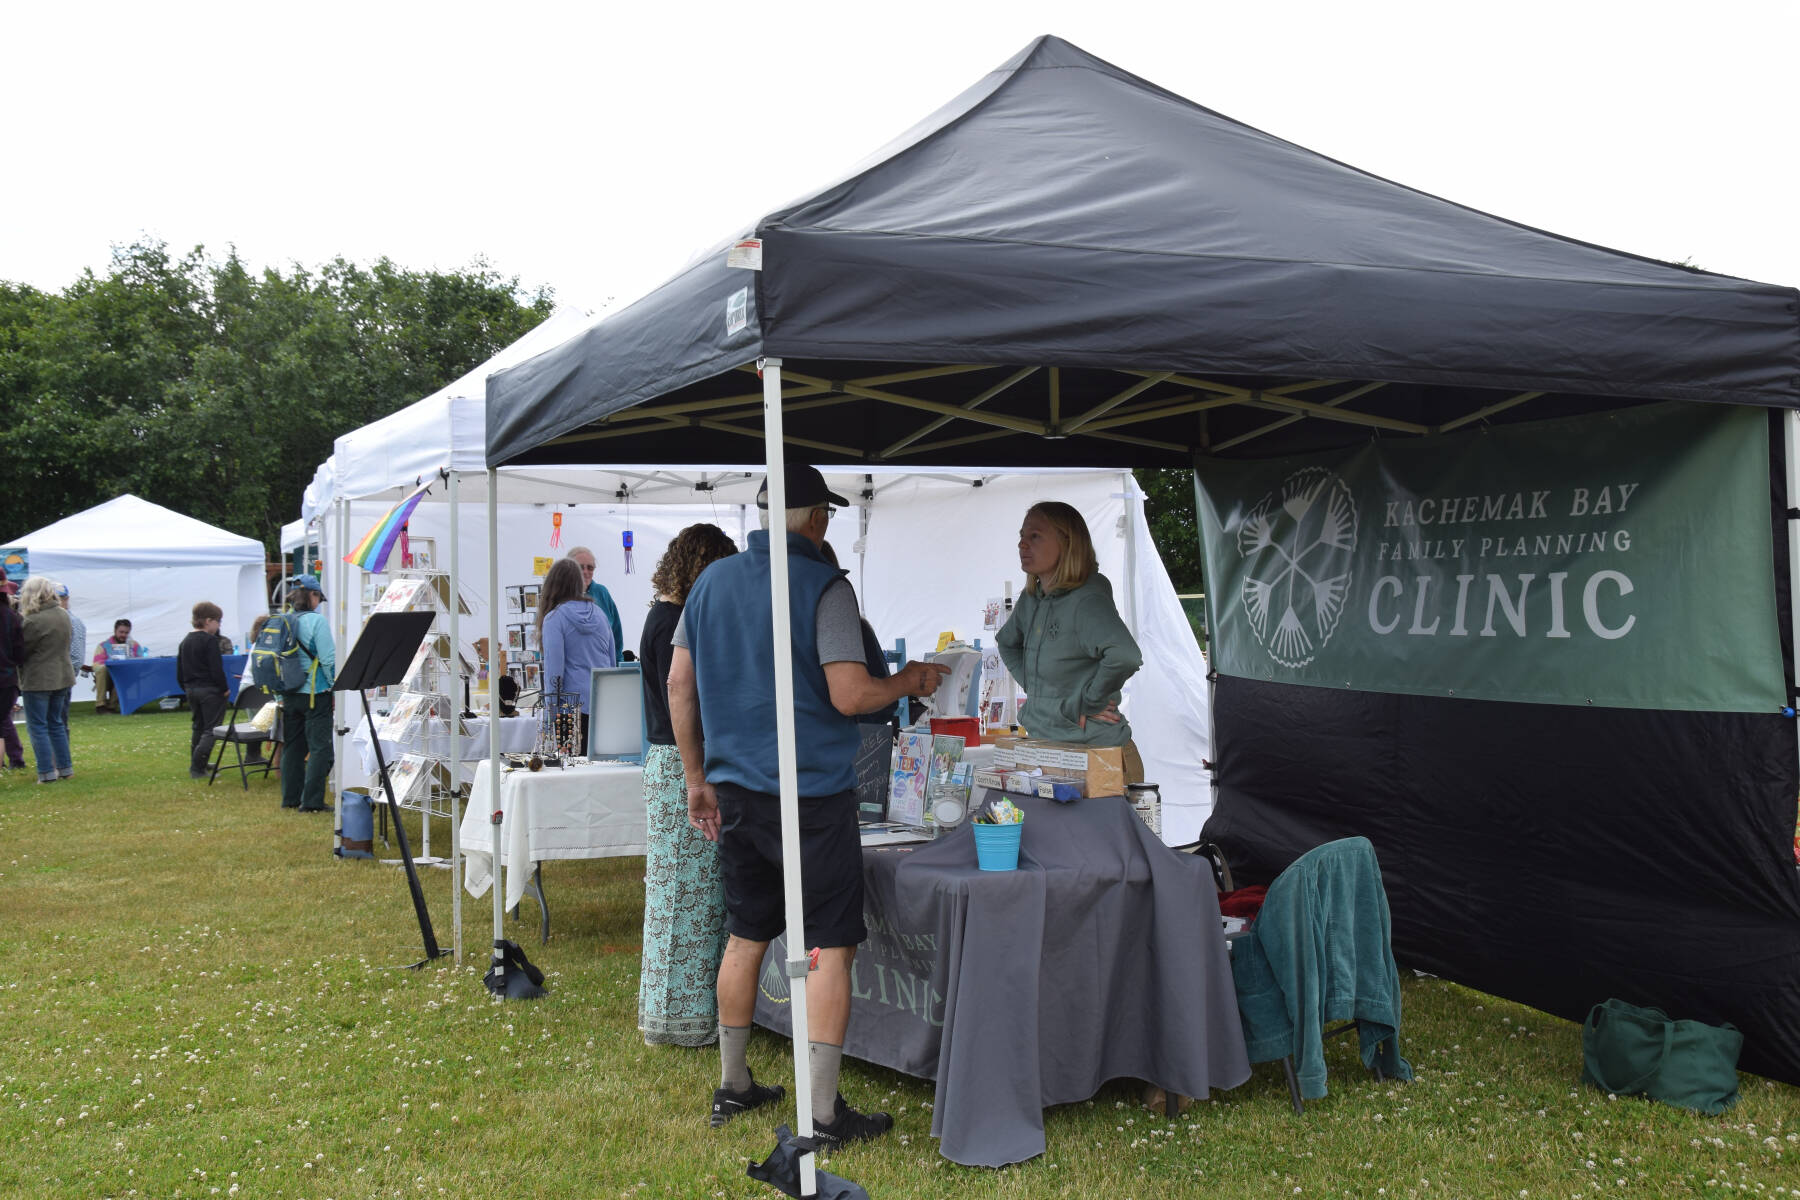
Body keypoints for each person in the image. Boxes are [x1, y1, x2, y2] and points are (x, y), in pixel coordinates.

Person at [669, 463, 948, 1145]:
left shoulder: (711, 581)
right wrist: (908, 681)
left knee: (746, 934)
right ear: (819, 519)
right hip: (812, 796)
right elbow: (850, 695)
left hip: (736, 791)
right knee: (828, 945)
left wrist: (695, 778)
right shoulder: (825, 586)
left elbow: (679, 684)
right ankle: (822, 1115)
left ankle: (733, 1086)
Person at [637, 522, 739, 1048]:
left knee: (684, 892)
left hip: (669, 761)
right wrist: (696, 773)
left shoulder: (662, 615)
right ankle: (682, 1019)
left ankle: (684, 1012)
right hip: (682, 762)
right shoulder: (674, 623)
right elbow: (683, 692)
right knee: (686, 895)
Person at [996, 500, 1146, 781]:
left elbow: (1125, 655)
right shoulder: (1032, 598)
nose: (1022, 544)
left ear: (1067, 542)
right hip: (1048, 753)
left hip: (1097, 757)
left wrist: (1089, 701)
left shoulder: (1087, 600)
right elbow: (1006, 642)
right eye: (1022, 536)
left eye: (1035, 536)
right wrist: (1037, 689)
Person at [537, 557, 615, 752]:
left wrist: (549, 718)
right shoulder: (600, 614)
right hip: (602, 706)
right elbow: (612, 662)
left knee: (569, 767)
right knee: (604, 765)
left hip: (568, 710)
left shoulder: (554, 618)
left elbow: (554, 674)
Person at [278, 575, 336, 812]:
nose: (319, 602)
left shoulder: (282, 620)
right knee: (320, 749)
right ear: (312, 595)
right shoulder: (317, 621)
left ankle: (290, 799)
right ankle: (312, 802)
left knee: (293, 747)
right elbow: (328, 659)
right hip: (315, 692)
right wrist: (334, 685)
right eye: (319, 598)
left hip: (288, 692)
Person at [18, 577, 76, 782]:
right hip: (63, 675)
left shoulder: (32, 621)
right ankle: (65, 768)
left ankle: (46, 772)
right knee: (56, 724)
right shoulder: (63, 614)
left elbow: (22, 651)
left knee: (38, 726)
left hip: (39, 679)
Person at [178, 601, 230, 780]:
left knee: (198, 727)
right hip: (210, 690)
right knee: (211, 729)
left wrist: (186, 687)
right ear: (208, 621)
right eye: (218, 621)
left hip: (191, 689)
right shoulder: (210, 641)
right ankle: (198, 767)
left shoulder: (185, 641)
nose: (219, 626)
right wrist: (224, 688)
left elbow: (179, 669)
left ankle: (199, 762)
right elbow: (216, 669)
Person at [566, 545, 625, 663]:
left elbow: (616, 633)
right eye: (580, 567)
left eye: (590, 568)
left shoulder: (601, 593)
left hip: (603, 668)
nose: (585, 572)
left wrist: (618, 666)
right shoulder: (560, 595)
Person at [91, 618, 144, 713]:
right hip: (108, 676)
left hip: (127, 675)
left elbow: (141, 662)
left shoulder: (134, 646)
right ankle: (100, 705)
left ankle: (112, 707)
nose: (123, 635)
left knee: (124, 674)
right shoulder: (104, 645)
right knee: (102, 669)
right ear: (115, 630)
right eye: (121, 632)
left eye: (126, 632)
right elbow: (96, 664)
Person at [0, 588, 26, 770]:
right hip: (7, 676)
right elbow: (20, 653)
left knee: (3, 721)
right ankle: (14, 759)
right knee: (3, 720)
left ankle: (15, 759)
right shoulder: (12, 616)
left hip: (6, 676)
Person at [55, 584, 86, 684]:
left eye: (56, 599)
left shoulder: (73, 622)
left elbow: (77, 658)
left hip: (62, 679)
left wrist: (65, 677)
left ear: (66, 599)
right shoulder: (52, 620)